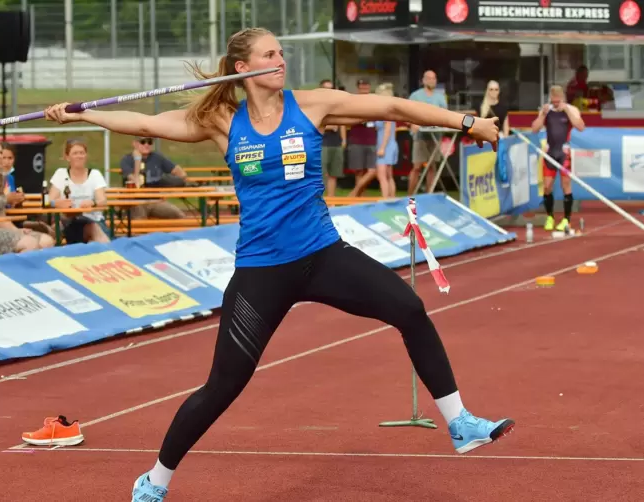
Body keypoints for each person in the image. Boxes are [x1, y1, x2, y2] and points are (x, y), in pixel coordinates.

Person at [44, 27, 513, 502]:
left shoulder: (312, 104)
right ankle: (155, 481)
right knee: (223, 386)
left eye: (282, 52)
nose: (281, 59)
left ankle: (459, 423)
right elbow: (148, 124)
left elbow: (393, 109)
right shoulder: (223, 121)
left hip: (323, 255)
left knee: (409, 309)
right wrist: (86, 114)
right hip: (261, 272)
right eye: (270, 54)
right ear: (243, 68)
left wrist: (466, 121)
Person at [0, 138, 54, 254]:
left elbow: (1, 215)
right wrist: (7, 200)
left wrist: (17, 230)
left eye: (1, 152)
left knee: (47, 241)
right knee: (30, 243)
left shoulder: (0, 179)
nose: (0, 156)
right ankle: (19, 272)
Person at [531, 85, 585, 232]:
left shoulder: (570, 109)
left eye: (558, 100)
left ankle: (566, 219)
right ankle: (550, 217)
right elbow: (534, 129)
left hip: (564, 153)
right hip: (550, 152)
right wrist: (542, 114)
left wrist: (566, 110)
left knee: (566, 184)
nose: (555, 103)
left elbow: (581, 127)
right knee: (547, 186)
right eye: (553, 100)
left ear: (562, 98)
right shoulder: (547, 110)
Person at [49, 138, 111, 244]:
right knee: (54, 229)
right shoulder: (60, 174)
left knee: (92, 227)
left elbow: (102, 200)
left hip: (92, 219)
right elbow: (49, 201)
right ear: (67, 157)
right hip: (68, 221)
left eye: (82, 153)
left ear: (86, 155)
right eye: (75, 153)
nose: (79, 156)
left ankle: (107, 253)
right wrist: (57, 203)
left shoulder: (94, 174)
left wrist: (93, 203)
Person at [349, 82, 398, 198]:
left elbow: (387, 130)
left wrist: (382, 148)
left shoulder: (386, 110)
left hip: (385, 145)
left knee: (381, 176)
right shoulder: (390, 109)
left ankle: (386, 199)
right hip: (391, 144)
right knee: (389, 175)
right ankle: (391, 198)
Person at [408, 70, 448, 195]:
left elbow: (445, 115)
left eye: (434, 78)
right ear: (424, 80)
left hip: (435, 136)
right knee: (417, 167)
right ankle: (409, 196)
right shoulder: (415, 96)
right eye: (429, 78)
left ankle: (428, 195)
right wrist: (412, 123)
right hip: (420, 137)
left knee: (432, 167)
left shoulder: (440, 97)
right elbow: (406, 114)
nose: (432, 81)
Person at [318, 79, 345, 197]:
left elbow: (342, 123)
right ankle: (321, 200)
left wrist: (344, 139)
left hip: (336, 143)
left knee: (334, 174)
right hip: (322, 143)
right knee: (323, 174)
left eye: (331, 88)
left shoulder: (336, 105)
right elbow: (314, 124)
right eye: (326, 88)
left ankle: (332, 201)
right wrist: (329, 127)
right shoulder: (317, 106)